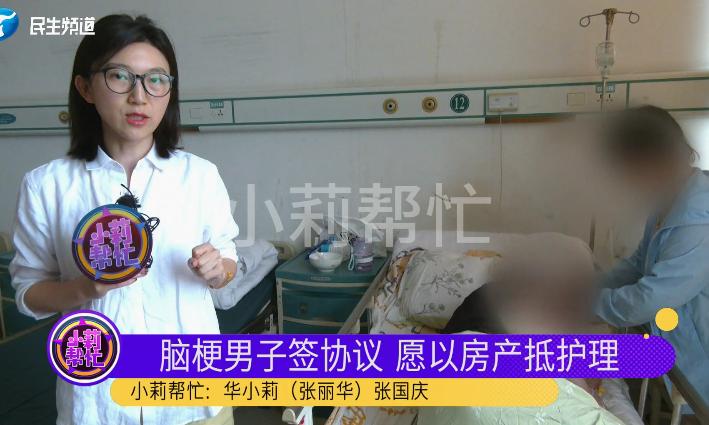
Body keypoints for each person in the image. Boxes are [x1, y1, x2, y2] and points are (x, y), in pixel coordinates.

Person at [9, 15, 238, 425]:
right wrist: (85, 289)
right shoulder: (47, 186)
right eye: (120, 76)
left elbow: (228, 260)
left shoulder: (200, 176)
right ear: (85, 87)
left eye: (156, 80)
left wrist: (218, 270)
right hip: (99, 403)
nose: (139, 97)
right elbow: (29, 292)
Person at [595, 105, 709, 401]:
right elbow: (638, 264)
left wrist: (591, 303)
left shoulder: (700, 221)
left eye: (630, 170)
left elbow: (654, 297)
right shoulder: (666, 202)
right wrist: (592, 286)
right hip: (680, 349)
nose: (629, 181)